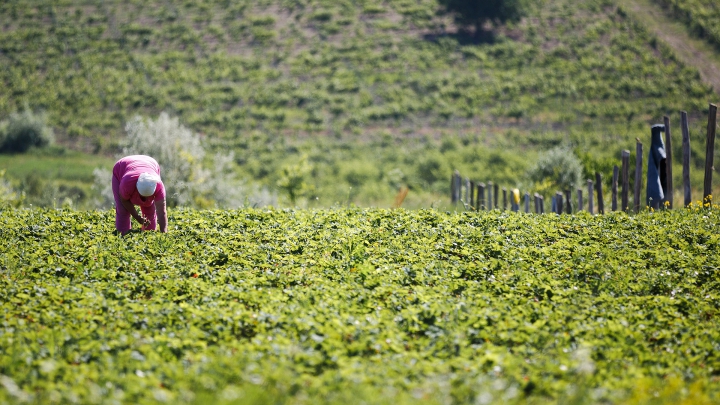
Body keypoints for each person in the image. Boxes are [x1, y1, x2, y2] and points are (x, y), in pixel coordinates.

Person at [112, 155, 168, 235]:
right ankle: (123, 234)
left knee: (149, 208)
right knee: (122, 209)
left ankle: (148, 235)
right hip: (122, 167)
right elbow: (124, 200)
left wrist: (164, 233)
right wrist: (137, 217)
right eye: (142, 196)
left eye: (149, 196)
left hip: (150, 163)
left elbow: (162, 212)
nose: (145, 199)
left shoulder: (159, 186)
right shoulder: (127, 183)